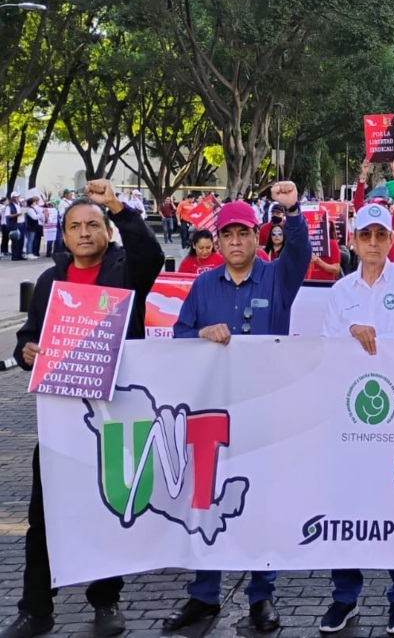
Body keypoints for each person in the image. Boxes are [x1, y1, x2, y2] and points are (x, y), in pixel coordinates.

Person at [3, 179, 164, 638]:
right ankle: (36, 607)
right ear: (65, 235)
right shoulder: (51, 282)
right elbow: (26, 337)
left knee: (107, 506)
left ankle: (106, 599)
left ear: (107, 231)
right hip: (60, 418)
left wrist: (116, 205)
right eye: (75, 226)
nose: (84, 232)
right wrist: (26, 349)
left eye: (93, 224)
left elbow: (150, 254)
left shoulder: (125, 270)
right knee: (44, 514)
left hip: (113, 415)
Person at [166, 181, 311, 633]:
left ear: (256, 237)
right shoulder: (204, 284)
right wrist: (200, 335)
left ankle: (261, 596)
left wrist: (294, 209)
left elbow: (301, 254)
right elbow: (178, 336)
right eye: (226, 234)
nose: (234, 242)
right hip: (212, 414)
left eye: (243, 234)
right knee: (207, 502)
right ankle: (204, 594)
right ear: (219, 238)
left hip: (263, 413)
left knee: (261, 504)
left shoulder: (276, 276)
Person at [319, 183, 394, 635]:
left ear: (390, 239)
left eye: (379, 235)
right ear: (353, 240)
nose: (371, 242)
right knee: (348, 501)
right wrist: (351, 331)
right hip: (352, 412)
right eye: (364, 235)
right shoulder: (340, 290)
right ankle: (344, 597)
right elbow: (327, 345)